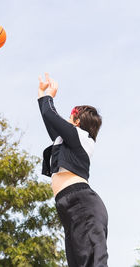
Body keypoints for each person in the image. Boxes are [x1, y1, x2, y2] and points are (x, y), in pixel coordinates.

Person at [37, 73, 108, 267]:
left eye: (70, 118)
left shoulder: (82, 138)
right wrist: (41, 94)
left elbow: (50, 114)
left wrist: (50, 95)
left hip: (82, 205)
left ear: (77, 122)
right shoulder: (67, 139)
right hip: (69, 207)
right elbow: (48, 117)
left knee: (93, 263)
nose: (66, 121)